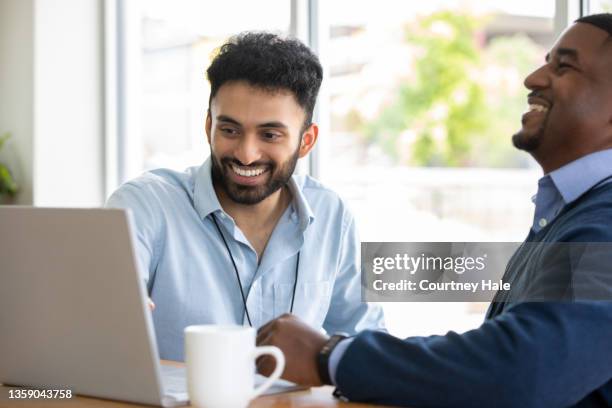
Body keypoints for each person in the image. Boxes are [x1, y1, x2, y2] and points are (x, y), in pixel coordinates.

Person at [257, 14, 612, 407]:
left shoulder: (605, 223)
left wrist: (330, 357)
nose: (533, 79)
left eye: (564, 66)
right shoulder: (572, 213)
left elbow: (521, 369)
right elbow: (499, 354)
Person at [106, 32, 384, 361]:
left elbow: (364, 343)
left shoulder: (332, 215)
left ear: (306, 141)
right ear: (208, 125)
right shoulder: (145, 205)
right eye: (230, 130)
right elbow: (103, 311)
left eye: (269, 134)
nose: (247, 154)